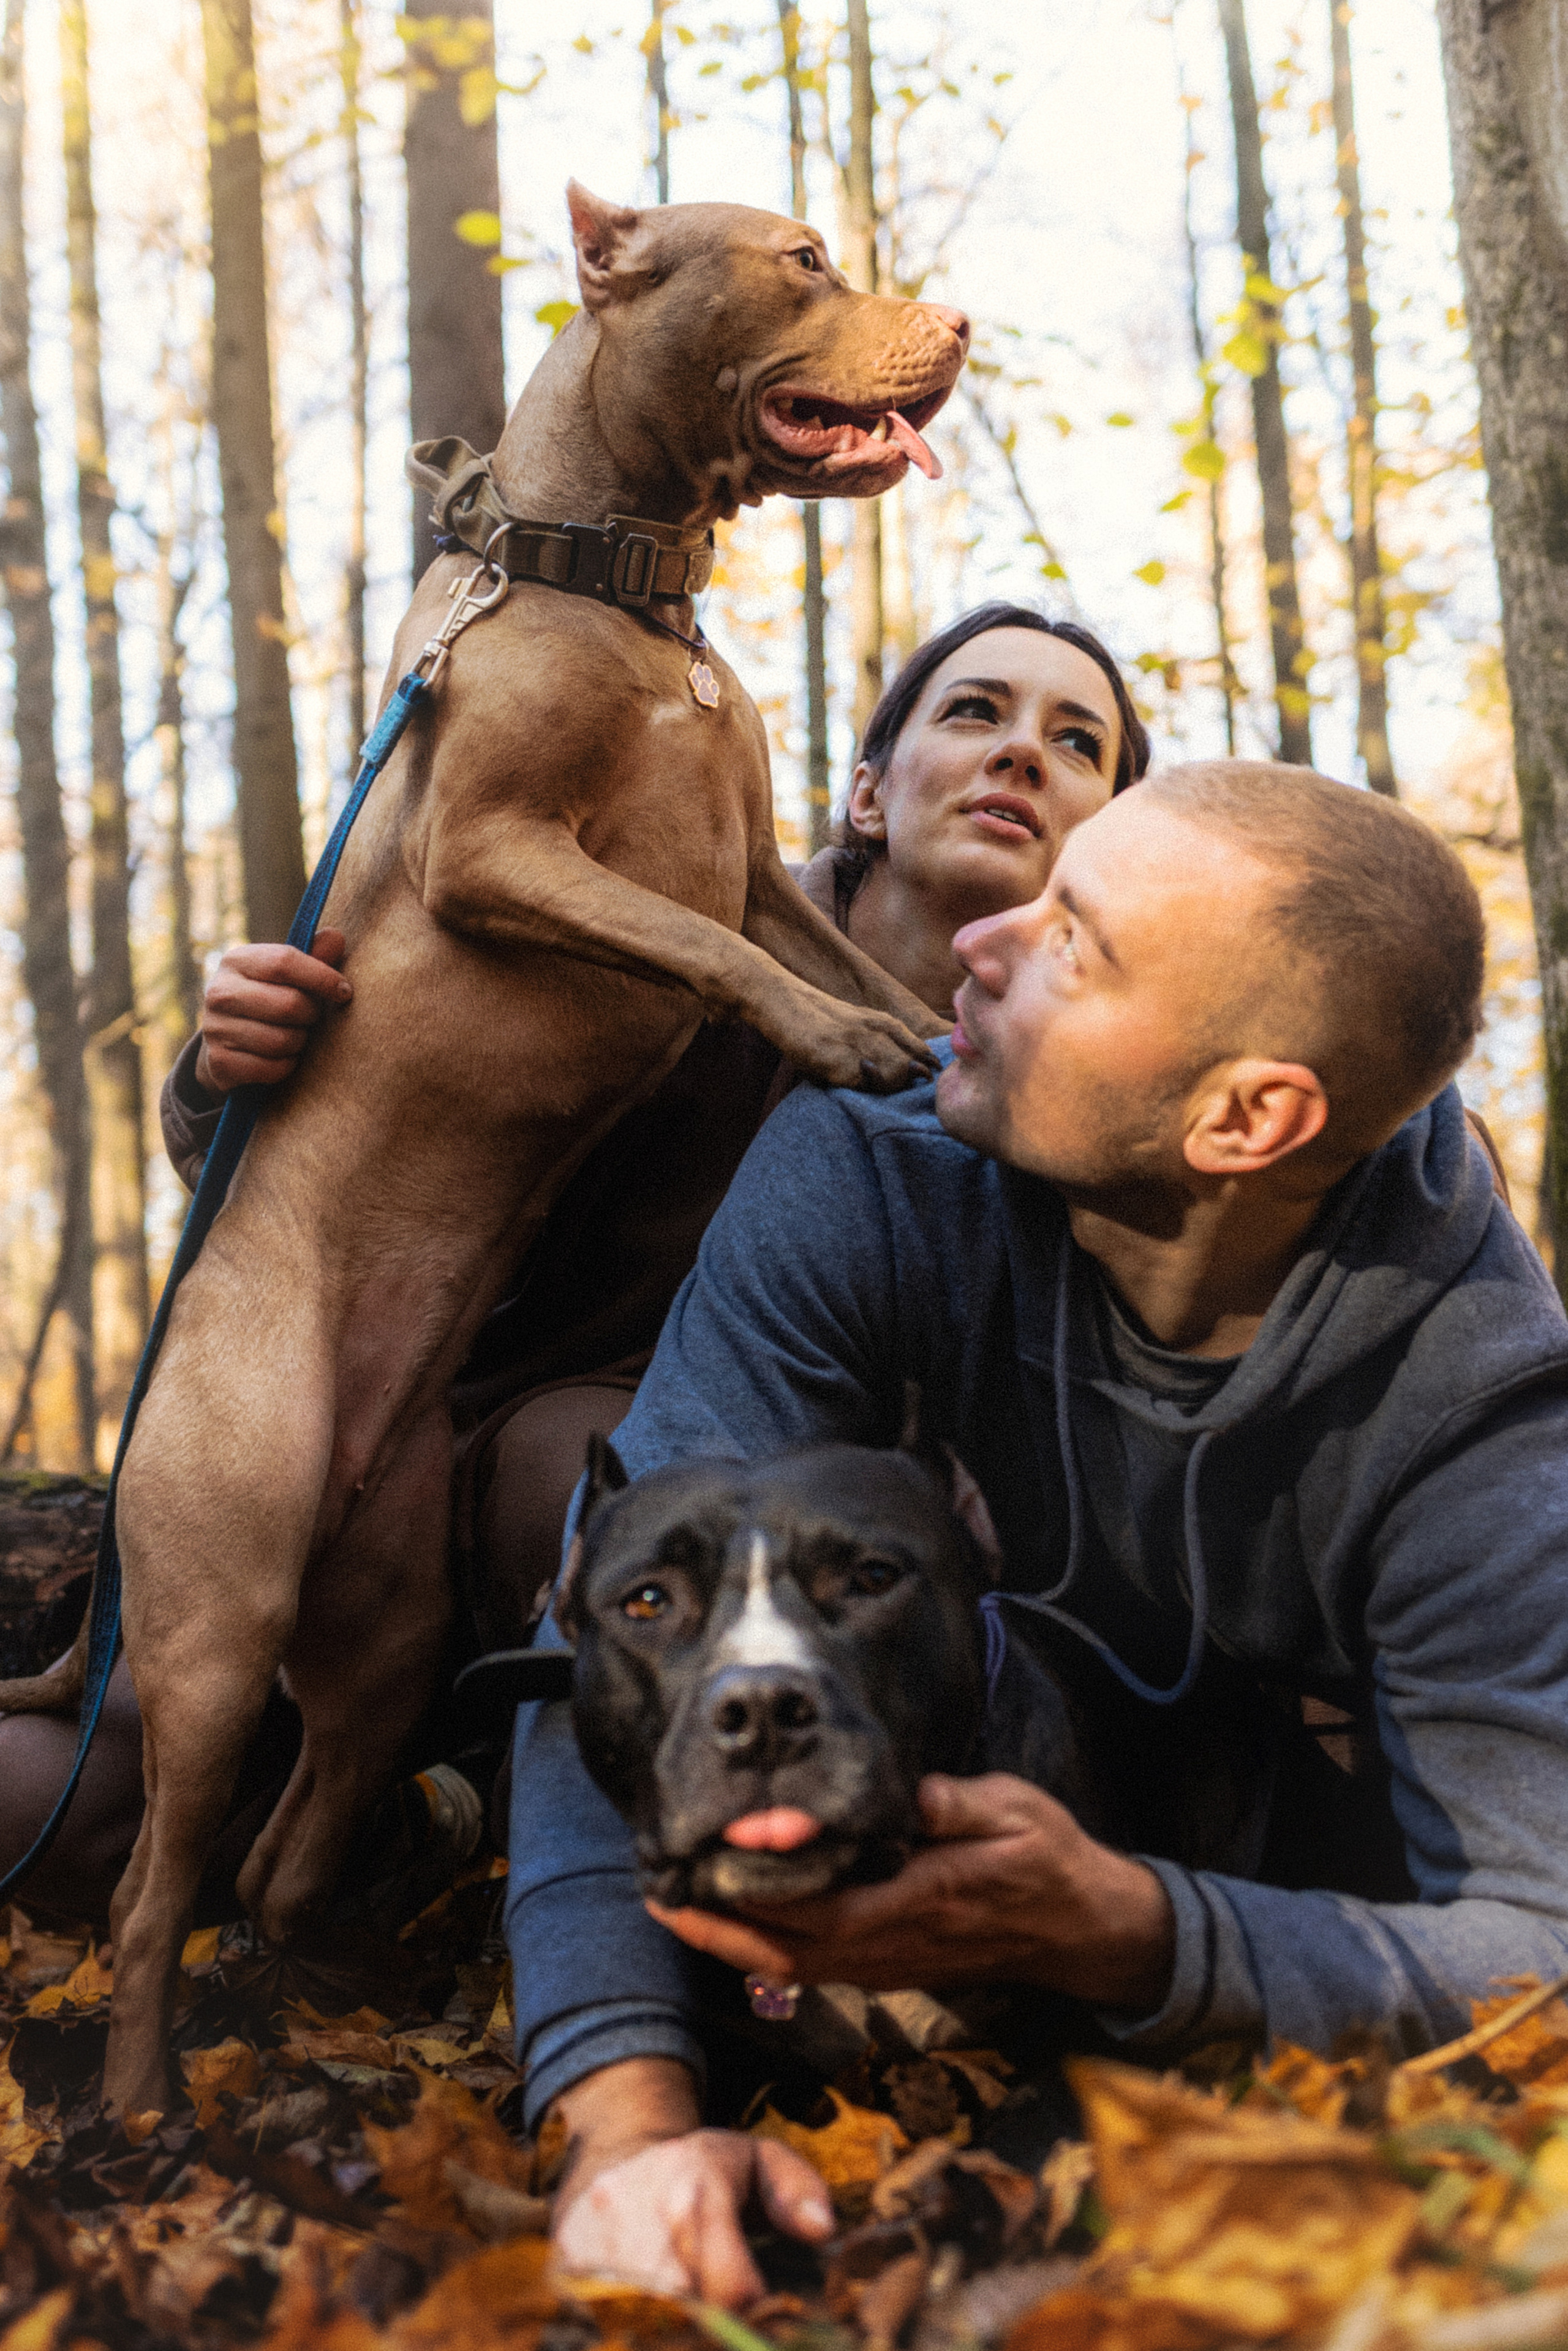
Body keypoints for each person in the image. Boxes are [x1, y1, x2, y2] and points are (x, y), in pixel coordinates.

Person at [511, 760, 1568, 2306]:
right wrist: (625, 2122)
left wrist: (1131, 1932)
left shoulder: (1474, 1399)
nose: (979, 944)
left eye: (1076, 939)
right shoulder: (862, 1174)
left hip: (1242, 1825)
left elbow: (1535, 1942)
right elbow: (614, 1630)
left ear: (1246, 1115)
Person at [0, 605, 1150, 1924]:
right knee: (47, 1812)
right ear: (869, 796)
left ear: (1100, 840)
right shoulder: (668, 915)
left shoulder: (1076, 1074)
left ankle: (500, 1819)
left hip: (661, 1524)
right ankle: (396, 1815)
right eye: (974, 711)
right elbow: (360, 1133)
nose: (1019, 753)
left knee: (602, 1476)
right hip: (381, 1452)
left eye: (1076, 744)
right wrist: (225, 1074)